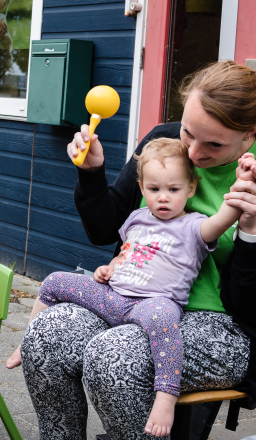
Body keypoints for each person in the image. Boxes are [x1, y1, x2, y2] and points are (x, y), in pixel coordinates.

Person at [14, 60, 256, 440]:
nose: (192, 153)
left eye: (213, 144)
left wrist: (250, 232)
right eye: (188, 133)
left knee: (114, 357)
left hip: (222, 323)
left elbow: (250, 308)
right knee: (48, 333)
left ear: (249, 135)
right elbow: (104, 229)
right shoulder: (163, 142)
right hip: (133, 295)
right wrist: (92, 173)